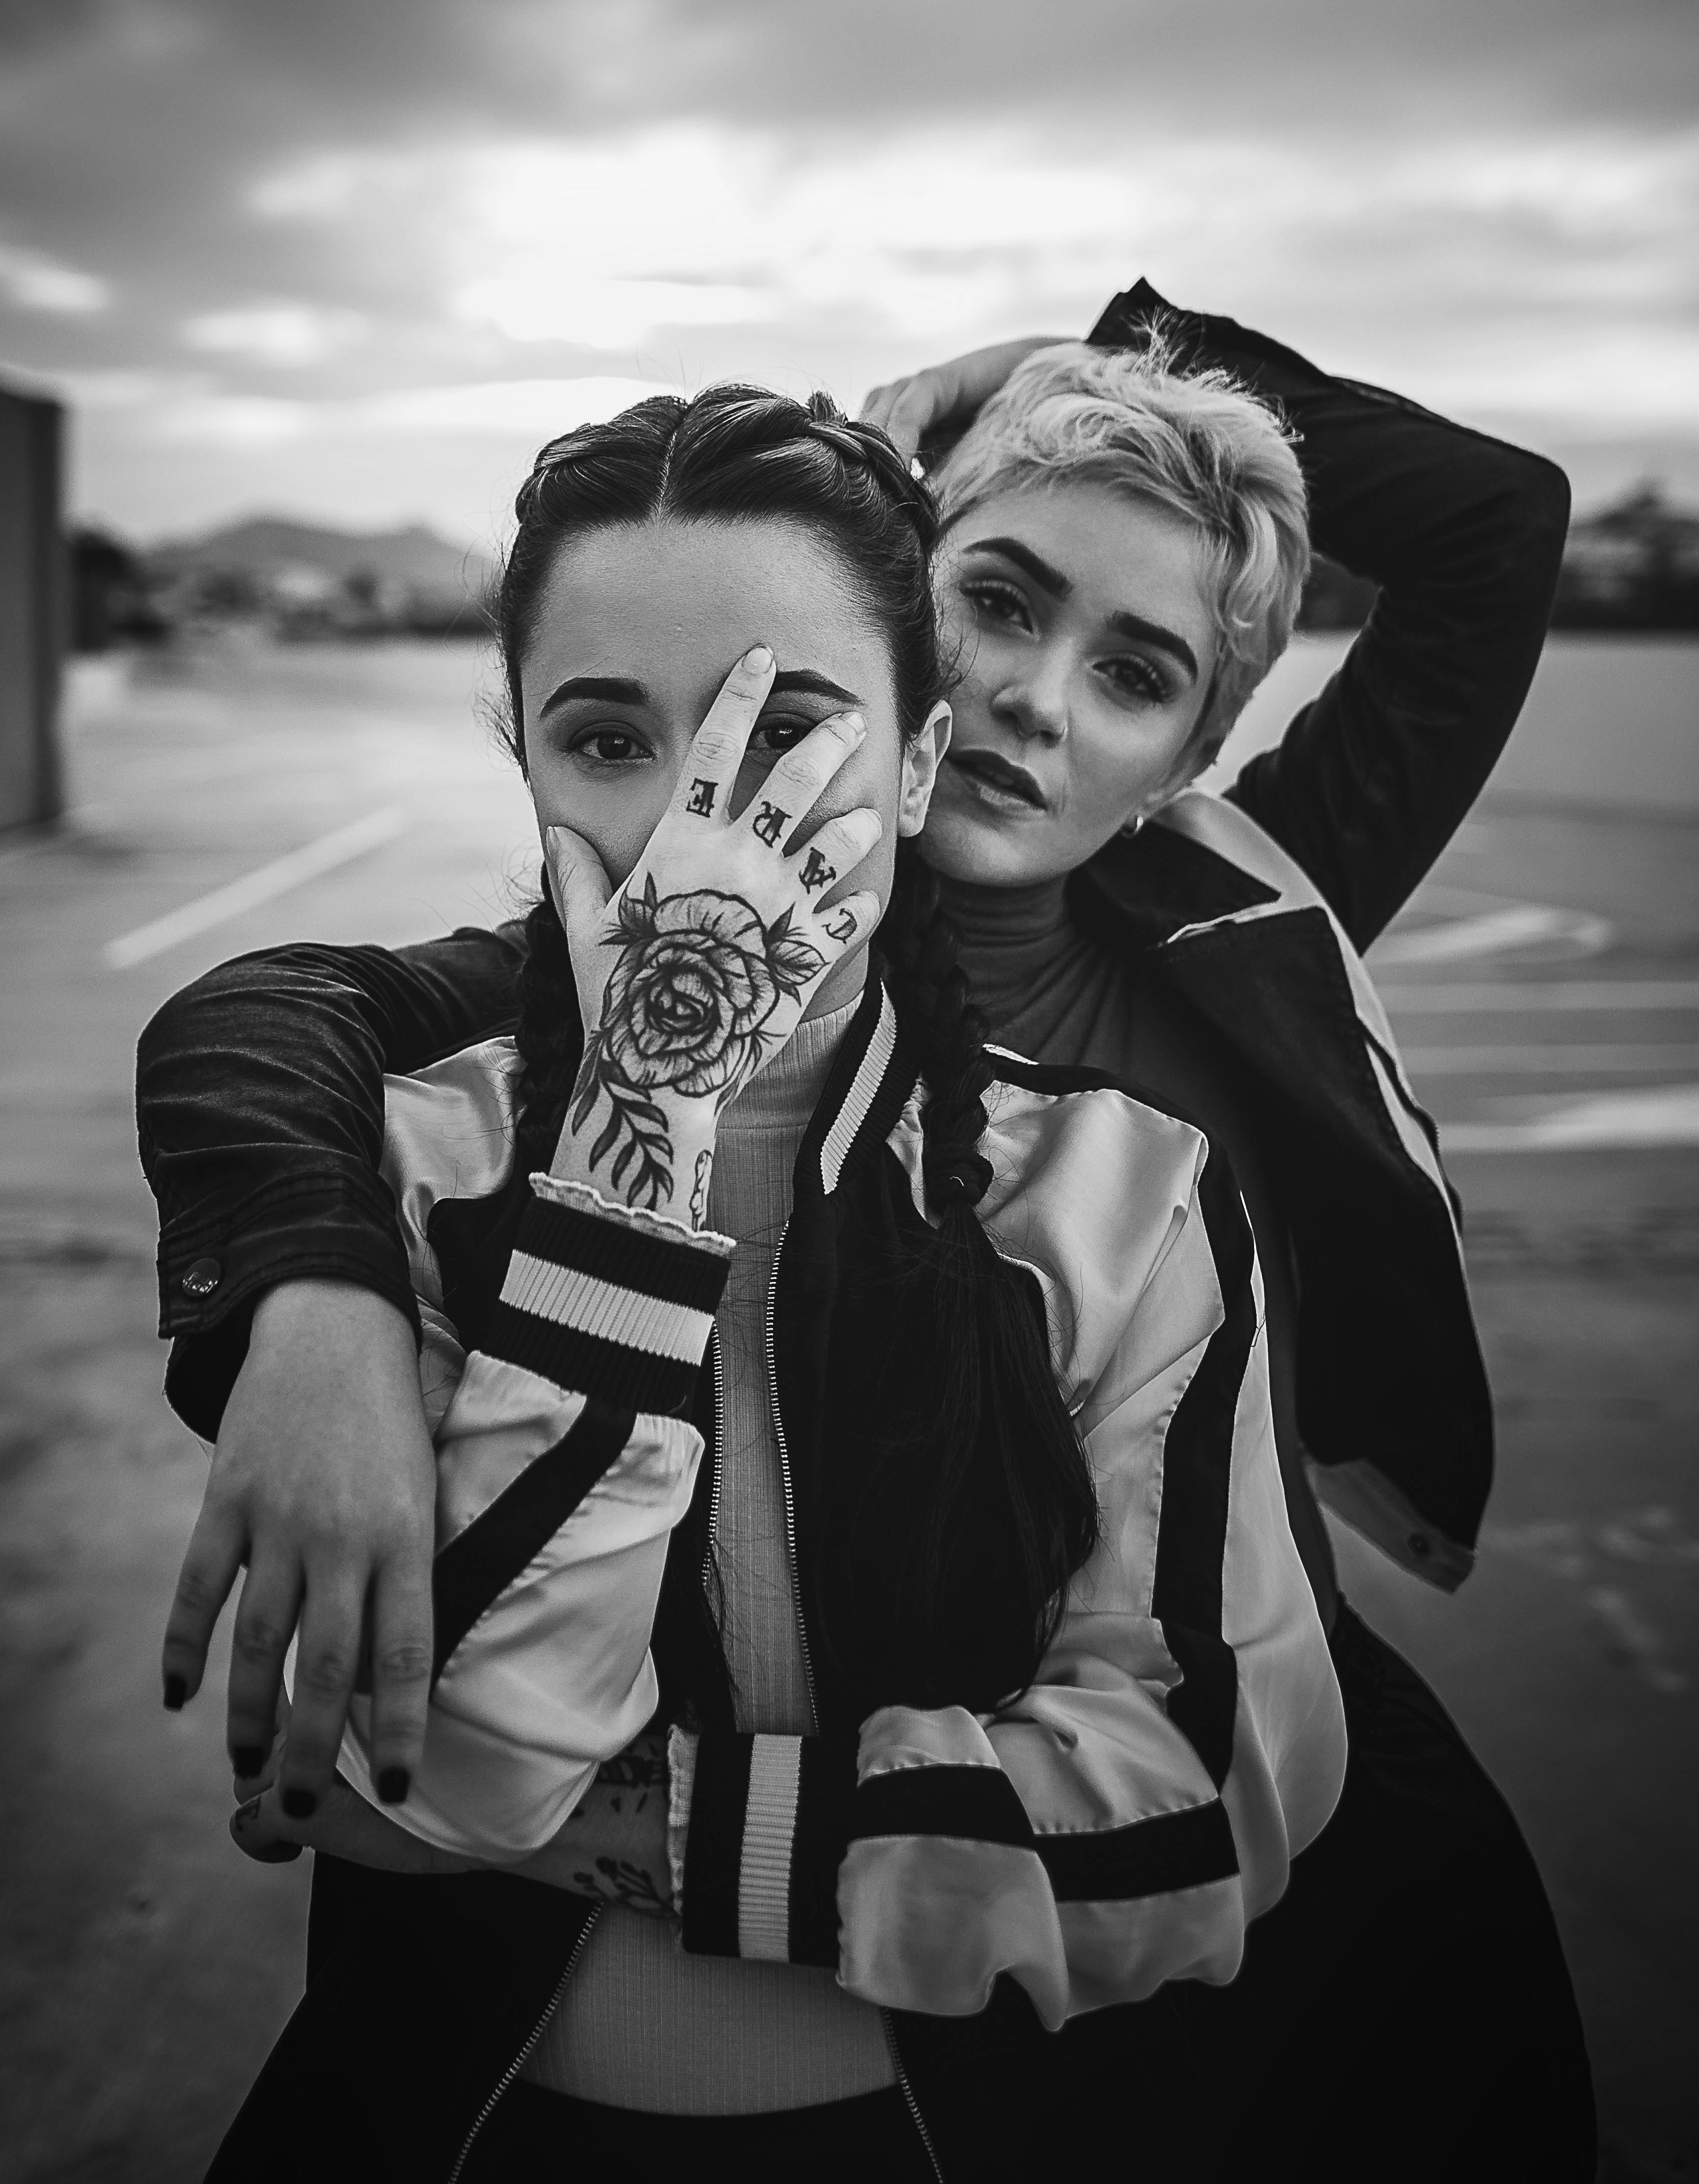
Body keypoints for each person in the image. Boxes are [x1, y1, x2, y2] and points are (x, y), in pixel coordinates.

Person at [142, 286, 1596, 2174]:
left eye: (1135, 674)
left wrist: (1113, 354)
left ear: (1181, 752)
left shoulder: (1212, 963)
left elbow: (1496, 529)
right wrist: (311, 1299)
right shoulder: (675, 926)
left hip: (1193, 1598)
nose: (1028, 697)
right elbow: (284, 1013)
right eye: (993, 602)